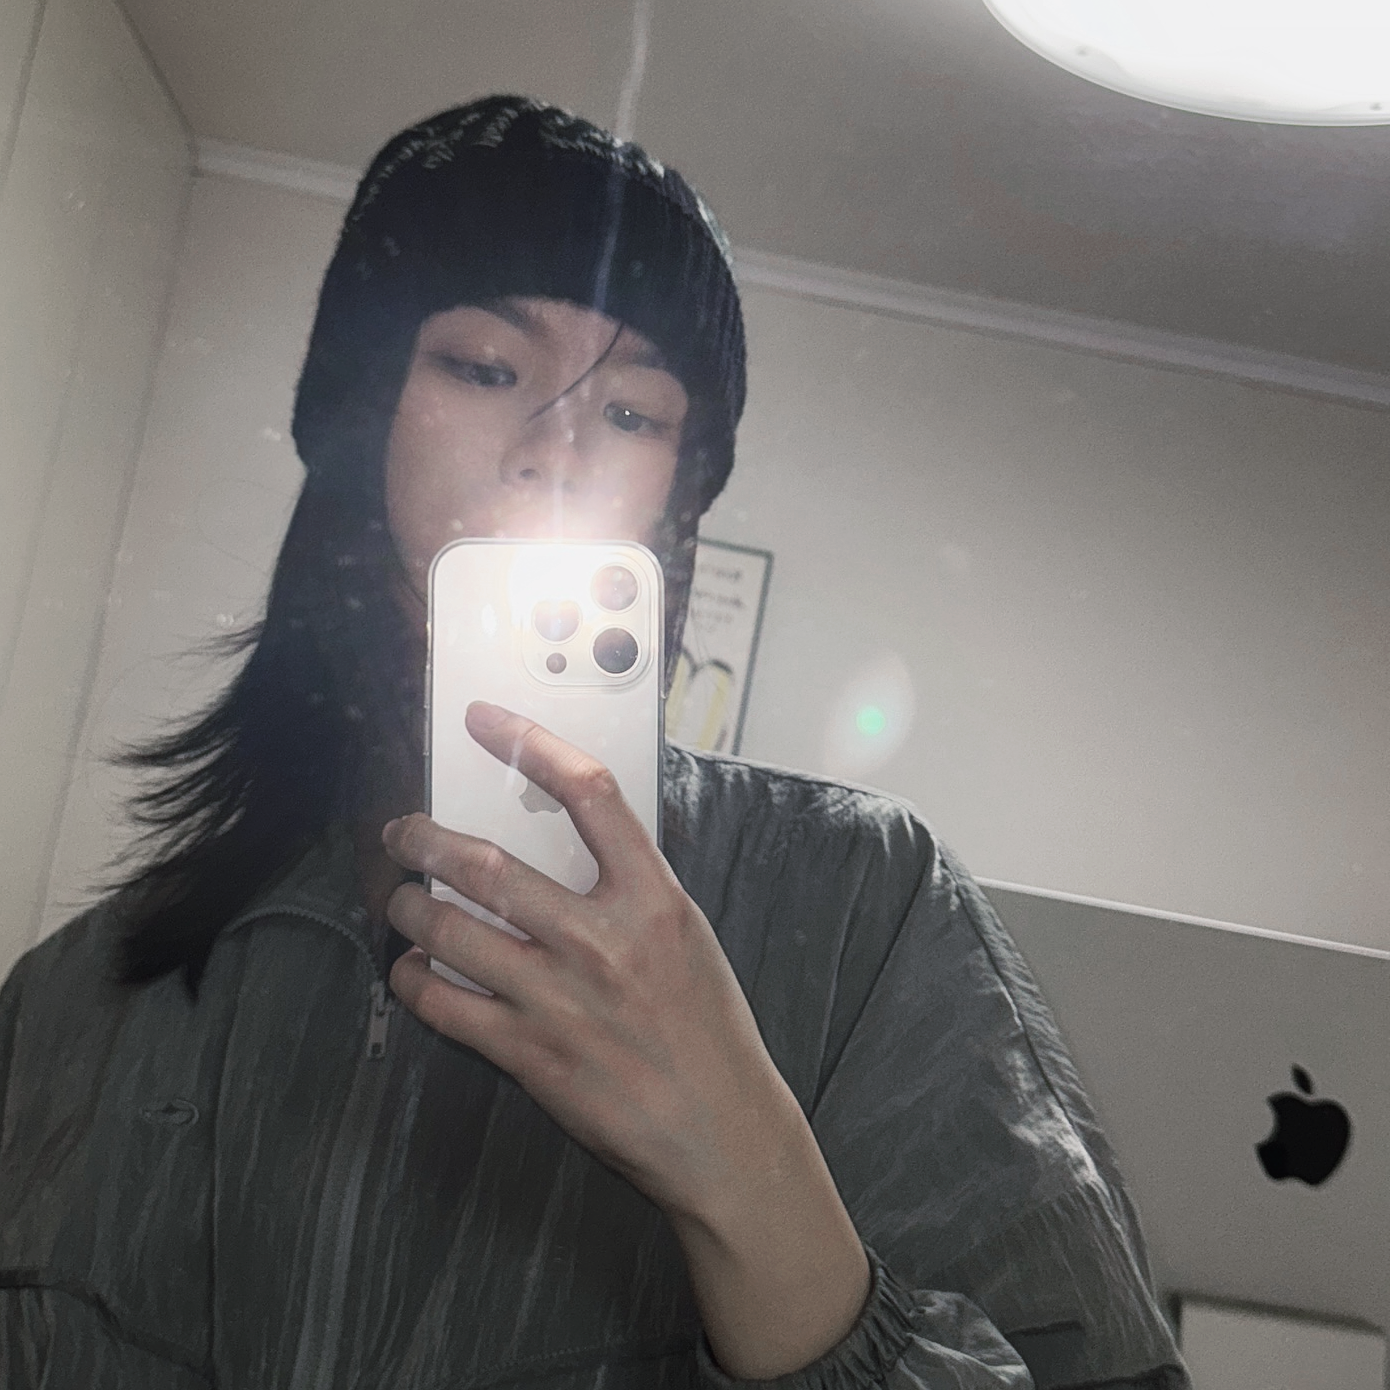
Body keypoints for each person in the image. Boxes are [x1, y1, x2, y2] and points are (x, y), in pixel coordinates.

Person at [0, 96, 1188, 1388]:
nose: (556, 451)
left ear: (678, 492)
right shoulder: (74, 997)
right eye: (484, 367)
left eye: (631, 413)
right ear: (361, 408)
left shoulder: (865, 906)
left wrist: (745, 1169)